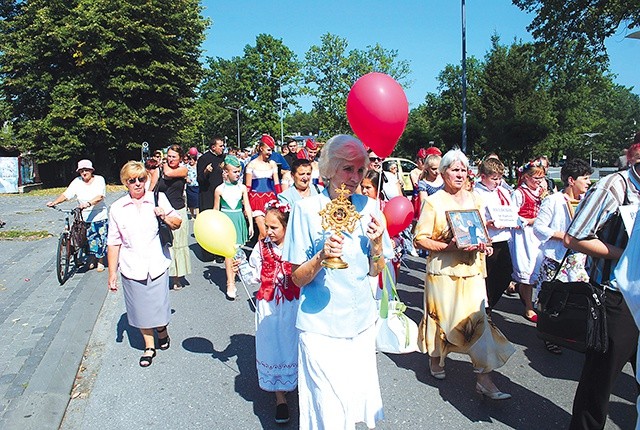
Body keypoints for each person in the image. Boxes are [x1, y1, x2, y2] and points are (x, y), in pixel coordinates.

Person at [283, 134, 393, 429]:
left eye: (361, 170)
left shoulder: (370, 208)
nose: (355, 177)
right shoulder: (306, 210)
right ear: (329, 169)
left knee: (351, 406)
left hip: (359, 325)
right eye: (348, 169)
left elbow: (375, 271)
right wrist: (320, 257)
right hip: (320, 326)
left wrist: (378, 244)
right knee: (327, 409)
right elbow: (296, 278)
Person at [414, 149, 514, 399]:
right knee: (442, 322)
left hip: (472, 273)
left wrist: (486, 246)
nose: (459, 174)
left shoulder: (474, 199)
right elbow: (420, 239)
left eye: (462, 170)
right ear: (444, 172)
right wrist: (449, 246)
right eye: (453, 170)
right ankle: (436, 358)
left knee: (478, 324)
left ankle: (484, 378)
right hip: (443, 274)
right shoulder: (433, 202)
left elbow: (480, 233)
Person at [564, 143, 640, 429]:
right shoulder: (613, 187)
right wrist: (629, 254)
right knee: (600, 382)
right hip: (616, 299)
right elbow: (574, 238)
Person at [107, 161, 182, 367]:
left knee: (159, 306)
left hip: (157, 261)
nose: (138, 184)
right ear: (125, 183)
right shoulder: (117, 208)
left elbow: (177, 223)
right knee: (139, 308)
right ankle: (149, 346)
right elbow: (113, 242)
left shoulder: (158, 199)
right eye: (132, 181)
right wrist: (112, 273)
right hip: (131, 265)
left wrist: (164, 215)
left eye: (141, 179)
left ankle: (162, 330)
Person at [236, 202, 300, 424]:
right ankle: (280, 398)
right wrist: (241, 267)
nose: (269, 232)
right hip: (268, 305)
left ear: (286, 227)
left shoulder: (298, 247)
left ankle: (296, 385)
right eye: (267, 226)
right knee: (272, 347)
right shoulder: (262, 247)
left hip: (293, 306)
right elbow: (254, 274)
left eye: (274, 227)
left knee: (294, 346)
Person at [533, 158, 592, 354]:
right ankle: (549, 334)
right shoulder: (554, 200)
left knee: (576, 297)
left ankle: (567, 332)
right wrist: (564, 237)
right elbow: (539, 227)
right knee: (552, 297)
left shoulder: (587, 202)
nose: (589, 182)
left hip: (578, 259)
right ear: (571, 180)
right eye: (585, 178)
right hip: (556, 258)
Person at [46, 159, 108, 272]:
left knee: (99, 239)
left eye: (86, 170)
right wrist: (54, 202)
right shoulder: (77, 181)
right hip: (83, 216)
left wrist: (88, 203)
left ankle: (100, 261)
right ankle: (92, 259)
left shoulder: (99, 180)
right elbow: (66, 194)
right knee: (86, 239)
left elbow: (100, 196)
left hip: (99, 214)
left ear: (91, 170)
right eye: (81, 171)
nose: (84, 173)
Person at [474, 157, 516, 311]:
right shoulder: (476, 193)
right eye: (494, 179)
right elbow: (474, 217)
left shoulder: (503, 191)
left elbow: (511, 210)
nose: (498, 182)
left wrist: (514, 220)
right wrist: (486, 223)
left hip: (503, 237)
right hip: (488, 239)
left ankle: (489, 304)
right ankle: (483, 308)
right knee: (486, 276)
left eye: (499, 178)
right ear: (483, 177)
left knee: (505, 274)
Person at [510, 160, 546, 322]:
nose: (539, 182)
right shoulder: (519, 193)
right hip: (526, 235)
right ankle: (528, 307)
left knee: (541, 267)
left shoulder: (543, 192)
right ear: (525, 177)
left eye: (541, 178)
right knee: (528, 269)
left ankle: (538, 303)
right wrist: (531, 221)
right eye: (535, 178)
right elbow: (513, 216)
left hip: (540, 234)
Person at [214, 155, 253, 300]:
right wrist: (215, 228)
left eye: (239, 171)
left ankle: (234, 276)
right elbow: (216, 210)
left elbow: (247, 206)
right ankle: (230, 283)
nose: (238, 174)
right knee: (228, 253)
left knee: (236, 251)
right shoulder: (219, 190)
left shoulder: (242, 188)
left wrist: (250, 223)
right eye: (235, 171)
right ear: (226, 172)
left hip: (238, 220)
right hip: (226, 221)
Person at [157, 145, 192, 290]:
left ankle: (177, 277)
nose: (170, 159)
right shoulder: (158, 169)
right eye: (169, 156)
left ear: (180, 158)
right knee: (163, 243)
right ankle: (163, 275)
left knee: (178, 244)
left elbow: (168, 173)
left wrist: (163, 163)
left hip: (178, 210)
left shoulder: (183, 169)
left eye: (173, 157)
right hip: (162, 211)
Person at [246, 134, 282, 239]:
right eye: (268, 150)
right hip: (255, 200)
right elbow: (248, 186)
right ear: (261, 149)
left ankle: (265, 253)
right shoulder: (251, 164)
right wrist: (246, 204)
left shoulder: (272, 164)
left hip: (270, 199)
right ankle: (259, 254)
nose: (270, 153)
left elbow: (277, 184)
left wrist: (280, 199)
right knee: (263, 232)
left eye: (271, 150)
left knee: (269, 231)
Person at [196, 137, 225, 212]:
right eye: (220, 146)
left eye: (223, 146)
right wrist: (205, 172)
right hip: (208, 195)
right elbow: (199, 179)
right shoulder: (204, 158)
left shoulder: (223, 157)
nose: (223, 148)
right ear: (213, 147)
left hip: (221, 193)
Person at [185, 153, 199, 219]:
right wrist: (186, 178)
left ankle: (198, 215)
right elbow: (183, 175)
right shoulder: (186, 167)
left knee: (197, 201)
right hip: (190, 186)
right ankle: (192, 214)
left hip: (197, 185)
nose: (190, 161)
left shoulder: (198, 166)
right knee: (190, 202)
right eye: (189, 160)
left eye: (192, 160)